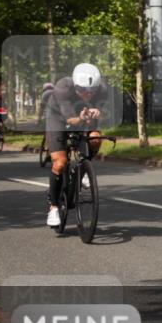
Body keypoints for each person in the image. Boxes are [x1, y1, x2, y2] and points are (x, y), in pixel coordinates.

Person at [44, 64, 109, 228]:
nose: (87, 94)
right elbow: (69, 120)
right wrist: (80, 118)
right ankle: (53, 207)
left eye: (91, 90)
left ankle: (84, 169)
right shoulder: (62, 88)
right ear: (75, 85)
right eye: (82, 90)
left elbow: (103, 114)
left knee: (96, 137)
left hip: (82, 116)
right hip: (58, 118)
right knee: (60, 163)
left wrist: (99, 114)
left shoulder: (102, 89)